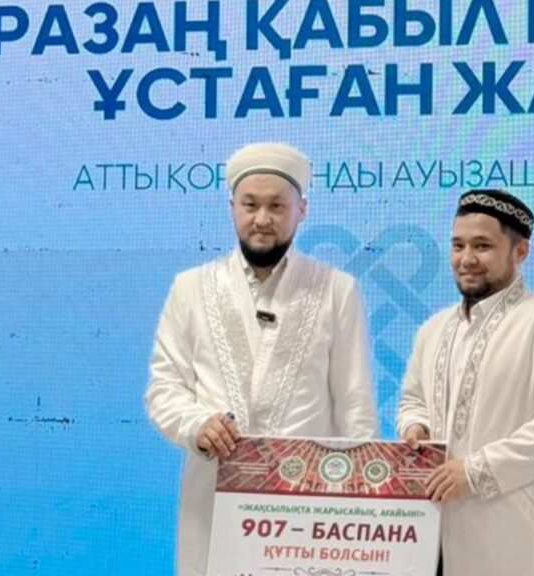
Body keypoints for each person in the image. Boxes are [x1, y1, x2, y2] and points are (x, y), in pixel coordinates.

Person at [145, 142, 379, 576]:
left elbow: (355, 406)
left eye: (277, 206)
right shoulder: (190, 287)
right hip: (213, 496)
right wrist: (197, 424)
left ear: (301, 210)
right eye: (250, 205)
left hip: (308, 505)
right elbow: (164, 389)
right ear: (232, 208)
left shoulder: (337, 289)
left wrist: (358, 505)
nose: (262, 219)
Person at [397, 189, 534, 576]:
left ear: (520, 252)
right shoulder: (432, 329)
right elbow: (413, 400)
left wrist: (474, 472)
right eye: (458, 245)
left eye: (482, 246)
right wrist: (415, 426)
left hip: (511, 536)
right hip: (430, 532)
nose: (466, 259)